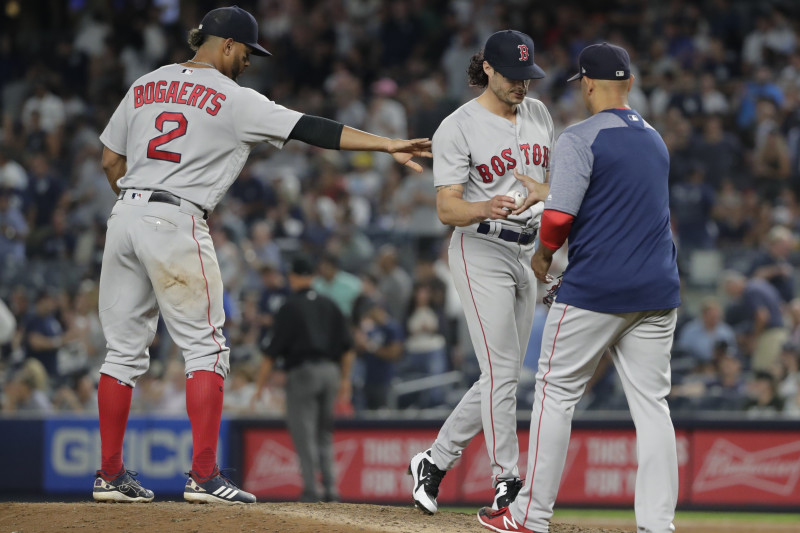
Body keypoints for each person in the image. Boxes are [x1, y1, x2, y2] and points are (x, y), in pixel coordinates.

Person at [93, 5, 431, 504]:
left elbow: (110, 159)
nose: (249, 61)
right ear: (226, 45)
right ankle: (204, 476)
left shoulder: (145, 83)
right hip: (176, 219)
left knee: (121, 352)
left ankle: (109, 475)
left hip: (125, 213)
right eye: (246, 52)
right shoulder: (234, 98)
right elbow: (311, 128)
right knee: (206, 349)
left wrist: (134, 206)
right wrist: (386, 146)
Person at [477, 43, 681, 533]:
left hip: (597, 289)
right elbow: (613, 203)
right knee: (653, 407)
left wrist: (543, 258)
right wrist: (557, 192)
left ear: (587, 83)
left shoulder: (580, 137)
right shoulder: (655, 139)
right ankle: (657, 525)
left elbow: (560, 219)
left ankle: (530, 516)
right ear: (629, 82)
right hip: (657, 292)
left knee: (554, 391)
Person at [408, 29, 553, 514]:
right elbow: (447, 209)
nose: (521, 85)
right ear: (486, 69)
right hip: (481, 249)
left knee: (505, 373)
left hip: (527, 250)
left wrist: (549, 250)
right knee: (501, 373)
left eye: (527, 75)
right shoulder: (458, 126)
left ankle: (434, 460)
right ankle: (507, 479)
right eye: (512, 76)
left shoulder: (538, 114)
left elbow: (550, 185)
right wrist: (483, 207)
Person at [252, 255, 355, 502]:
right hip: (331, 372)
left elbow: (270, 354)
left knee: (304, 434)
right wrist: (344, 380)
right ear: (313, 277)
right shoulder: (330, 304)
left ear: (294, 277)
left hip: (303, 373)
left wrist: (258, 387)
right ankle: (331, 489)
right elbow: (348, 348)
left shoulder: (289, 307)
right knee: (324, 433)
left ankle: (312, 490)